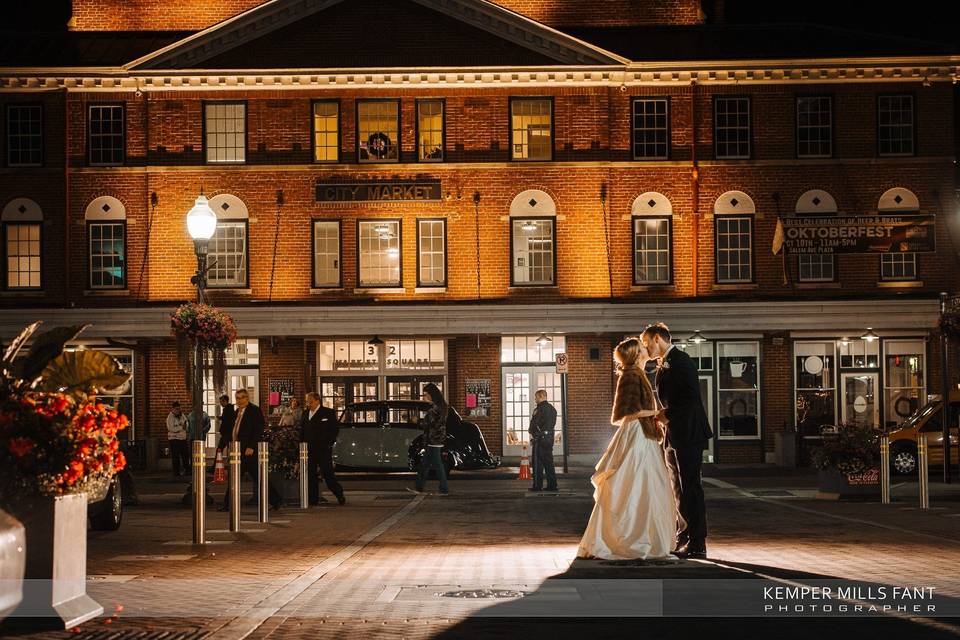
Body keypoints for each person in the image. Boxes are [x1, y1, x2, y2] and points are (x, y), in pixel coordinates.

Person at [577, 337, 677, 560]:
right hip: (637, 436)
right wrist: (656, 414)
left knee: (645, 485)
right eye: (642, 347)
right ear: (636, 354)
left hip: (643, 434)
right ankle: (634, 539)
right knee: (638, 485)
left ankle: (644, 538)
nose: (646, 347)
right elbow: (625, 414)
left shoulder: (637, 373)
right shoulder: (631, 375)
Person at [641, 322, 713, 559]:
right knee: (676, 487)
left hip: (689, 433)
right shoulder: (663, 365)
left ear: (658, 339)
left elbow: (691, 397)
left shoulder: (682, 361)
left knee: (691, 486)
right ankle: (683, 534)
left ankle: (698, 541)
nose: (646, 348)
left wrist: (666, 414)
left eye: (647, 343)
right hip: (673, 434)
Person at [216, 389, 282, 511]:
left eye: (242, 398)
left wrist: (251, 446)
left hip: (249, 451)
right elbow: (232, 429)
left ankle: (276, 500)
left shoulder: (254, 411)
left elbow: (258, 430)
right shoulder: (236, 412)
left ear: (247, 398)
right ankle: (228, 504)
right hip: (237, 450)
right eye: (237, 398)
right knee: (234, 478)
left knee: (259, 477)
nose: (239, 400)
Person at [299, 391, 345, 505]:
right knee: (310, 475)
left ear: (317, 401)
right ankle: (312, 499)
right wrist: (301, 445)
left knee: (327, 473)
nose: (308, 404)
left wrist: (329, 443)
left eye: (310, 402)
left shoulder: (327, 413)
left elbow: (334, 429)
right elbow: (302, 431)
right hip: (309, 449)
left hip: (323, 449)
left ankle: (339, 494)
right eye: (307, 402)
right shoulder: (305, 414)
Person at [408, 383, 450, 495]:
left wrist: (418, 421)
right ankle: (419, 487)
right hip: (436, 439)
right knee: (425, 465)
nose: (425, 397)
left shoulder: (436, 408)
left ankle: (443, 488)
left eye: (426, 394)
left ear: (432, 394)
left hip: (433, 440)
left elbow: (431, 424)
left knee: (436, 465)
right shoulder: (441, 406)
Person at [528, 390, 558, 492]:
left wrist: (531, 431)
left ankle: (537, 485)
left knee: (537, 463)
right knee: (549, 463)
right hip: (549, 439)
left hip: (540, 439)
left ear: (541, 396)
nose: (535, 399)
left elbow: (534, 424)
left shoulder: (539, 409)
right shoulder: (553, 409)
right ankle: (552, 485)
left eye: (536, 397)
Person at [166, 401, 189, 477]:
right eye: (176, 409)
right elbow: (171, 428)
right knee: (176, 457)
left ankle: (187, 470)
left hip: (182, 439)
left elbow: (186, 424)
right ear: (172, 409)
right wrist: (181, 427)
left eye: (179, 409)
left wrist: (184, 427)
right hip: (174, 439)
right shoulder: (170, 417)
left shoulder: (182, 415)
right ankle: (176, 473)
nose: (178, 411)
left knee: (185, 455)